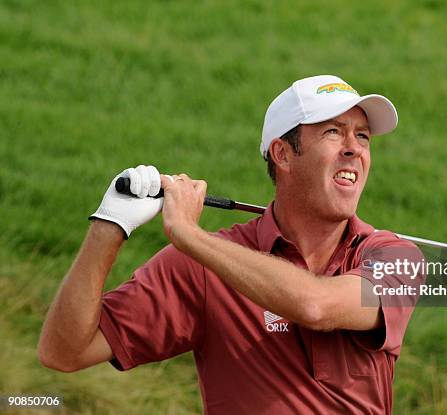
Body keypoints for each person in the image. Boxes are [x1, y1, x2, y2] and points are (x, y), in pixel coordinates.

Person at [38, 75, 424, 414]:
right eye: (333, 132)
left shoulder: (394, 256)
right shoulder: (201, 268)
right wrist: (109, 226)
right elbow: (65, 351)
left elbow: (315, 306)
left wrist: (189, 236)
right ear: (283, 154)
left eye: (362, 136)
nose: (354, 148)